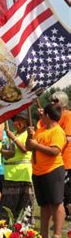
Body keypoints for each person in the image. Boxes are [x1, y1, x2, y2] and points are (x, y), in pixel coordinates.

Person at [27, 103, 67, 238]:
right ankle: (43, 234)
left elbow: (55, 151)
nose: (40, 116)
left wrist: (37, 145)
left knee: (56, 203)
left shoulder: (57, 131)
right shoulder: (40, 130)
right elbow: (29, 147)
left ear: (48, 116)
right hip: (38, 172)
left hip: (53, 171)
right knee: (44, 205)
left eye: (43, 114)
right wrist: (29, 136)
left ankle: (57, 234)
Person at [0, 111, 35, 223]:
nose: (15, 123)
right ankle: (5, 223)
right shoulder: (13, 134)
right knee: (8, 202)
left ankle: (23, 224)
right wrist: (4, 151)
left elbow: (24, 149)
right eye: (14, 120)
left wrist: (13, 138)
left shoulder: (29, 134)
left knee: (23, 202)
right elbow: (11, 154)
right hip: (10, 173)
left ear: (25, 122)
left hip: (23, 173)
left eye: (19, 120)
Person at [50, 92, 71, 221]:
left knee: (67, 190)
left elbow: (68, 138)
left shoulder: (68, 116)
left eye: (55, 101)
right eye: (52, 100)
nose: (52, 102)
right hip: (57, 160)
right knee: (60, 191)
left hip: (67, 159)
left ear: (62, 102)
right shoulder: (55, 116)